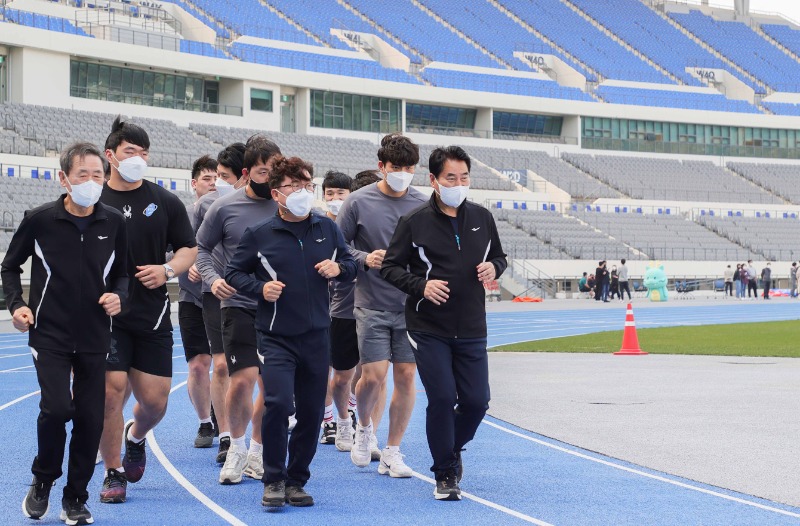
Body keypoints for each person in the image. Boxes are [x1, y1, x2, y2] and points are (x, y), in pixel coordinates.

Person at [3, 143, 128, 525]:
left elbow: (123, 272)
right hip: (49, 333)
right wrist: (16, 306)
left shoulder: (113, 222)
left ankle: (75, 497)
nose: (91, 182)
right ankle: (43, 481)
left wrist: (118, 296)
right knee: (57, 408)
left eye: (97, 175)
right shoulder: (39, 219)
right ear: (64, 178)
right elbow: (9, 267)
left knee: (91, 419)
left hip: (94, 335)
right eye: (82, 175)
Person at [225, 156, 357, 508]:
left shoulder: (327, 229)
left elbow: (350, 265)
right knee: (279, 402)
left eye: (307, 185)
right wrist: (259, 289)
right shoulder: (259, 234)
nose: (303, 192)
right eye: (294, 186)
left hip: (317, 335)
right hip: (275, 335)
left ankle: (297, 479)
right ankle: (273, 479)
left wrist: (338, 268)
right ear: (276, 193)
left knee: (312, 412)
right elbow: (234, 274)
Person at [381, 145, 507, 501]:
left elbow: (499, 256)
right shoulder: (414, 221)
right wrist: (421, 285)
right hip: (428, 326)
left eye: (464, 176)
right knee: (441, 397)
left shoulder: (483, 217)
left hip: (471, 326)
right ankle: (445, 474)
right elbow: (390, 267)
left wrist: (494, 267)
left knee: (477, 401)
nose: (458, 183)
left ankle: (451, 450)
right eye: (451, 177)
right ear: (434, 180)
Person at [98, 117, 198, 504]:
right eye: (130, 152)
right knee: (110, 392)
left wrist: (167, 269)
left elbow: (189, 249)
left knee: (155, 401)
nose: (138, 158)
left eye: (144, 153)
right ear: (110, 155)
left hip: (153, 314)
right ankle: (112, 471)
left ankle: (134, 437)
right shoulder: (96, 201)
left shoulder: (165, 200)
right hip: (107, 313)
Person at [336, 134, 427, 477]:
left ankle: (393, 450)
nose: (402, 173)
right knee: (373, 376)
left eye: (408, 168)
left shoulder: (423, 204)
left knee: (406, 375)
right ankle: (364, 429)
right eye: (395, 167)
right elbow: (336, 244)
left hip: (412, 306)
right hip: (371, 301)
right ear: (382, 167)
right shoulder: (358, 202)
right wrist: (363, 257)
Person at [195, 136, 282, 485]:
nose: (271, 177)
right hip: (238, 305)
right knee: (243, 379)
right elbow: (201, 248)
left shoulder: (289, 204)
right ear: (247, 173)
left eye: (276, 170)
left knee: (273, 386)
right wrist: (213, 278)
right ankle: (235, 446)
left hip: (281, 311)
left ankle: (258, 451)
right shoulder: (224, 207)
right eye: (264, 171)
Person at [194, 142, 247, 464]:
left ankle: (254, 437)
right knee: (222, 364)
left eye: (226, 176)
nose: (219, 182)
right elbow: (199, 249)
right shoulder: (210, 206)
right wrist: (211, 277)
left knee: (258, 371)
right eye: (217, 176)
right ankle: (225, 434)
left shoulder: (269, 203)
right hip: (218, 295)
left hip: (258, 295)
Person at [325, 170, 381, 452]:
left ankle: (368, 429)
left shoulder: (386, 226)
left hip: (377, 308)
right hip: (344, 309)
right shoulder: (341, 227)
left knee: (374, 375)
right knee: (342, 376)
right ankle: (343, 421)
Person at [179, 155, 218, 448]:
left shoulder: (229, 213)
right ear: (195, 184)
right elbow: (169, 254)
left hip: (223, 300)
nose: (213, 183)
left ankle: (224, 417)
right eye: (207, 178)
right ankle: (205, 422)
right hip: (192, 299)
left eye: (218, 178)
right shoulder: (182, 217)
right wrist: (185, 263)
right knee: (198, 365)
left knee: (226, 365)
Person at [319, 170, 354, 445]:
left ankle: (349, 409)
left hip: (349, 306)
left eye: (340, 193)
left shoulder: (354, 225)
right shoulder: (317, 225)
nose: (335, 198)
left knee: (352, 368)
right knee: (324, 368)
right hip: (320, 308)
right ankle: (328, 420)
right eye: (330, 193)